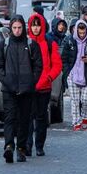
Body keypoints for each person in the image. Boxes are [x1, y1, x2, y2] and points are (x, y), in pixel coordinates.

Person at [0, 15, 43, 163]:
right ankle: (9, 146)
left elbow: (38, 66)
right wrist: (6, 81)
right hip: (9, 89)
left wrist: (31, 82)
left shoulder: (31, 44)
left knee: (24, 120)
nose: (17, 30)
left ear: (23, 28)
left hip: (26, 90)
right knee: (9, 118)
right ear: (10, 28)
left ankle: (21, 148)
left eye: (19, 28)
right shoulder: (4, 45)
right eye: (14, 28)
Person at [25, 13, 62, 157]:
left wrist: (48, 77)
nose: (35, 28)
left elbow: (57, 65)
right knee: (27, 118)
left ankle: (39, 146)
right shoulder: (25, 43)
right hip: (28, 87)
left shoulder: (49, 43)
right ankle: (27, 145)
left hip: (44, 87)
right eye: (33, 25)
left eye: (38, 25)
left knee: (41, 118)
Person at [61, 20, 87, 131]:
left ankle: (85, 118)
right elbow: (64, 58)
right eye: (80, 33)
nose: (82, 35)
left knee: (85, 100)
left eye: (84, 32)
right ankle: (76, 122)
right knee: (75, 101)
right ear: (76, 31)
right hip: (73, 75)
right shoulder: (70, 41)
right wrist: (67, 73)